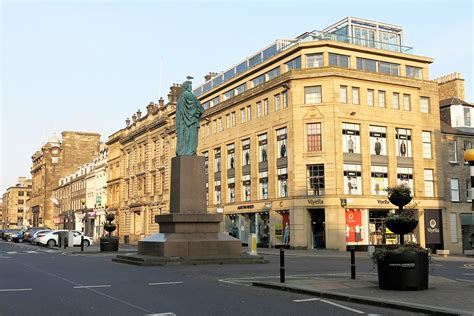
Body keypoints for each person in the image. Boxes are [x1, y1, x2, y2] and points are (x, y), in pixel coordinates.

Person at [175, 80, 205, 156]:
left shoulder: (180, 98)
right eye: (190, 85)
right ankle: (190, 151)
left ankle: (182, 151)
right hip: (191, 122)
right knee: (192, 139)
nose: (191, 87)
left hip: (183, 123)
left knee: (184, 138)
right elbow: (198, 107)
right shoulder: (189, 95)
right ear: (187, 86)